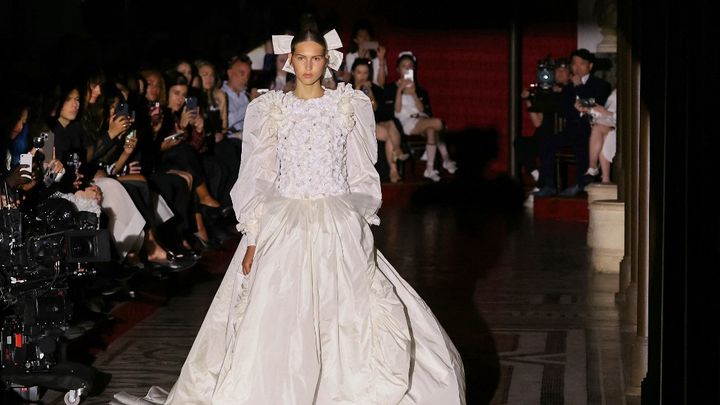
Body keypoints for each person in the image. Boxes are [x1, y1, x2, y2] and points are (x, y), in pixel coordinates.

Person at [113, 29, 465, 405]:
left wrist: (357, 222)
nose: (309, 65)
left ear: (327, 59)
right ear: (289, 60)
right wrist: (252, 237)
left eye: (316, 58)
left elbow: (362, 174)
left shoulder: (348, 105)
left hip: (336, 223)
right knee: (276, 319)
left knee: (346, 317)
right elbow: (258, 176)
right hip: (283, 223)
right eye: (302, 58)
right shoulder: (270, 109)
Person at [382, 51, 458, 182]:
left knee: (432, 130)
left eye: (410, 66)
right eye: (404, 66)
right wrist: (400, 90)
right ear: (398, 69)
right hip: (407, 122)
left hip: (421, 119)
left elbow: (423, 109)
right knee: (439, 123)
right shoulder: (392, 88)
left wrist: (413, 93)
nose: (407, 68)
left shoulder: (419, 89)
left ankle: (429, 169)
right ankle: (446, 159)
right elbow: (397, 110)